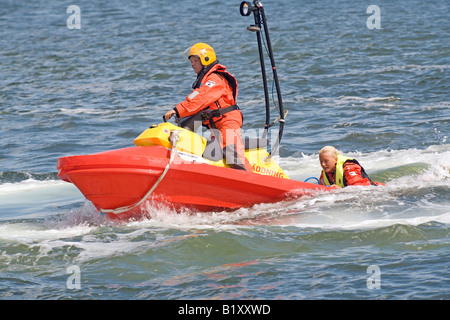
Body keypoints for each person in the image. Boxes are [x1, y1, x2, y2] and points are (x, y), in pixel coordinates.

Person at [164, 43, 251, 171]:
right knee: (210, 154)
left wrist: (177, 110)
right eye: (191, 62)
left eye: (195, 61)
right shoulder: (204, 83)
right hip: (215, 126)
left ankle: (249, 179)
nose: (192, 64)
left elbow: (200, 99)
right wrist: (180, 115)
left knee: (232, 152)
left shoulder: (215, 79)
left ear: (205, 59)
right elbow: (195, 100)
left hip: (228, 122)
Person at [318, 146, 385, 188]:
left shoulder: (349, 168)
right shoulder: (325, 174)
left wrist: (341, 189)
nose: (323, 164)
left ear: (335, 159)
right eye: (321, 161)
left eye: (326, 161)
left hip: (378, 191)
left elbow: (361, 189)